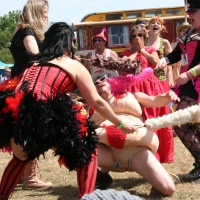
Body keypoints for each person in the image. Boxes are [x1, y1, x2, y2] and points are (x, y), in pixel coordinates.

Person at [0, 22, 137, 200]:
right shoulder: (72, 64)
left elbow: (42, 88)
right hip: (39, 113)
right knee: (87, 150)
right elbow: (96, 101)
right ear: (68, 43)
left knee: (21, 156)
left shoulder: (34, 63)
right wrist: (120, 122)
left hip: (12, 114)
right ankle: (87, 197)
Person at [90, 72, 178, 195]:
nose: (99, 82)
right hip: (109, 153)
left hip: (135, 151)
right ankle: (102, 179)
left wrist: (167, 96)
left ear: (112, 80)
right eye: (95, 82)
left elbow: (155, 100)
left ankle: (158, 177)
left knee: (168, 189)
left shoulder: (133, 95)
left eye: (103, 78)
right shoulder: (94, 107)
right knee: (76, 149)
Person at [7, 0, 52, 190]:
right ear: (35, 12)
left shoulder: (20, 29)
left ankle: (19, 175)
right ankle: (30, 178)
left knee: (22, 131)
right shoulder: (27, 32)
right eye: (44, 12)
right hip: (27, 85)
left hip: (17, 83)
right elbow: (35, 55)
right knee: (31, 129)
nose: (46, 16)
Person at [157, 0, 200, 182]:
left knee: (180, 124)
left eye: (194, 12)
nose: (189, 15)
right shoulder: (189, 33)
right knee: (192, 126)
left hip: (196, 85)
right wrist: (165, 60)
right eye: (189, 12)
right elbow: (176, 55)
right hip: (185, 85)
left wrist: (189, 74)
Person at [120, 25, 174, 163]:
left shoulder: (151, 50)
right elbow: (123, 66)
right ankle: (143, 155)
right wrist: (136, 52)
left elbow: (157, 62)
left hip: (151, 87)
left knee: (154, 117)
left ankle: (159, 154)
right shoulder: (126, 52)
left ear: (145, 37)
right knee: (141, 120)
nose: (137, 38)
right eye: (134, 36)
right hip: (134, 89)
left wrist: (143, 51)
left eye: (140, 35)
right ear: (131, 39)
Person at [146, 16, 173, 86]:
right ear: (148, 27)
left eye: (158, 23)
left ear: (161, 28)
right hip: (145, 75)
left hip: (160, 75)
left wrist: (170, 78)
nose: (155, 24)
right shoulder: (143, 41)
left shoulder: (164, 42)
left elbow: (172, 61)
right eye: (152, 23)